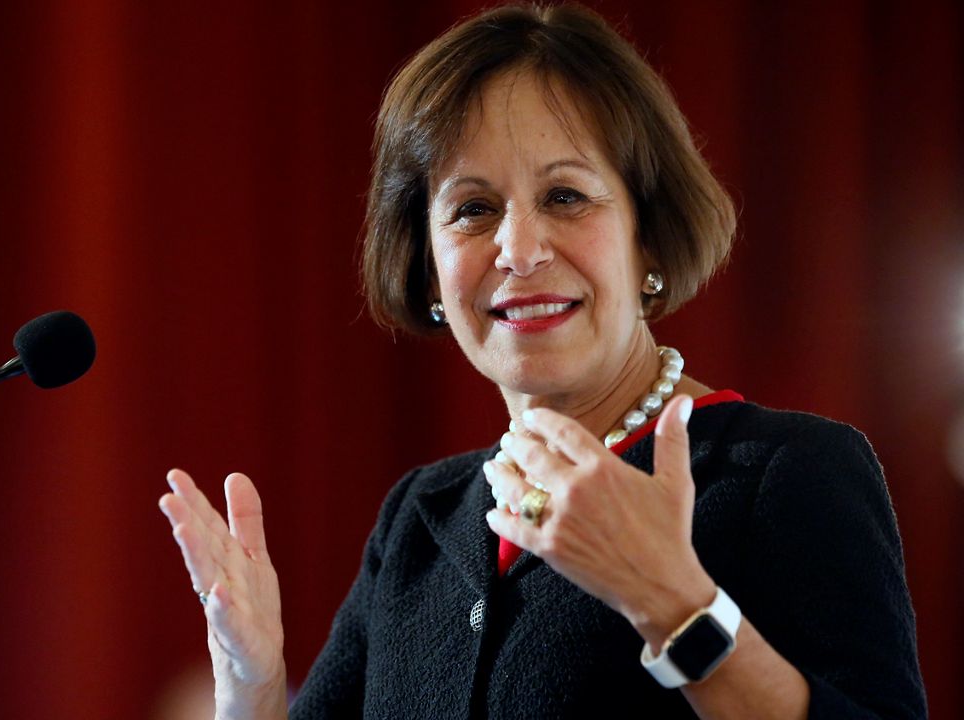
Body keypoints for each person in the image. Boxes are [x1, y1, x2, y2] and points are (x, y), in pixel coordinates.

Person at [158, 4, 927, 718]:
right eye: (473, 210)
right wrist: (252, 687)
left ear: (648, 236)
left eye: (565, 196)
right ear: (428, 267)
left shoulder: (788, 474)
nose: (520, 251)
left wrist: (676, 605)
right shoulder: (420, 518)